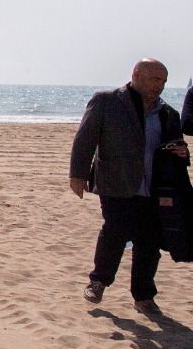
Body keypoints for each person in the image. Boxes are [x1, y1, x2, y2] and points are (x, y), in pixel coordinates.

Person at [68, 58, 188, 317]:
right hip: (116, 182)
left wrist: (182, 152)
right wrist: (77, 175)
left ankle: (144, 297)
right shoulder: (107, 101)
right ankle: (98, 282)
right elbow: (85, 138)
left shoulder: (169, 114)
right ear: (137, 74)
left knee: (149, 242)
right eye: (155, 79)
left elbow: (177, 150)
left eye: (164, 82)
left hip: (153, 188)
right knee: (115, 231)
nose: (160, 86)